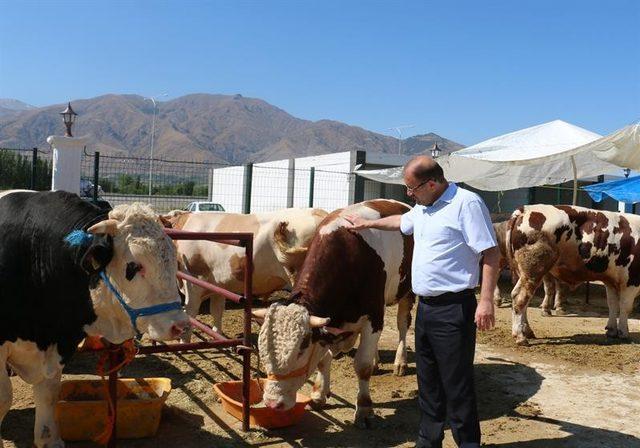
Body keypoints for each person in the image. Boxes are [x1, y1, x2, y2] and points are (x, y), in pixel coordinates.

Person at [344, 155, 499, 448]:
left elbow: (490, 253)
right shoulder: (424, 207)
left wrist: (486, 300)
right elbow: (402, 221)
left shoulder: (466, 204)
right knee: (427, 382)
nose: (408, 194)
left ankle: (468, 444)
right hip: (426, 308)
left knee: (457, 383)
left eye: (412, 188)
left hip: (455, 308)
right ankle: (428, 440)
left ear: (432, 183)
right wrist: (366, 223)